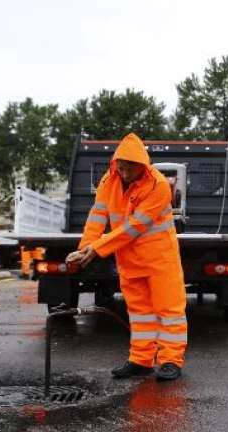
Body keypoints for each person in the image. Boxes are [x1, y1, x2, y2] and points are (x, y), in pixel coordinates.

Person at [66, 133, 187, 381]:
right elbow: (98, 216)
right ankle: (141, 360)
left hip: (159, 259)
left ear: (142, 166)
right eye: (120, 168)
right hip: (129, 259)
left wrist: (97, 249)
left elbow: (134, 227)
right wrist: (85, 246)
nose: (124, 174)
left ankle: (171, 360)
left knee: (169, 310)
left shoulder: (158, 185)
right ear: (115, 164)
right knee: (139, 312)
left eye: (129, 169)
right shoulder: (107, 182)